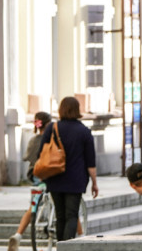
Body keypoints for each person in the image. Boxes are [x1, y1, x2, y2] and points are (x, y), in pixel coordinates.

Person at [40, 97, 98, 242]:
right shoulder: (84, 131)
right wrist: (94, 183)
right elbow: (90, 162)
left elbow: (41, 153)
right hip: (76, 180)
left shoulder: (52, 129)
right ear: (77, 110)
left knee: (60, 216)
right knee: (71, 215)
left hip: (54, 177)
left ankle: (60, 249)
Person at [7, 111, 53, 251]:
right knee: (60, 201)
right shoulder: (51, 139)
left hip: (35, 176)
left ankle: (18, 234)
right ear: (47, 124)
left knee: (32, 207)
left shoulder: (33, 140)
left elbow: (27, 157)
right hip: (49, 175)